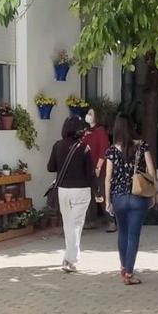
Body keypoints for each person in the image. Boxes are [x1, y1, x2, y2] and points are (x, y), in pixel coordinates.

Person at [104, 114, 156, 285]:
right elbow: (151, 172)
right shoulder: (142, 146)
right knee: (133, 236)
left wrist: (108, 201)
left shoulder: (111, 150)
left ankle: (123, 267)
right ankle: (129, 273)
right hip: (138, 196)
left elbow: (108, 177)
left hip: (118, 197)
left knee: (123, 233)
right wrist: (153, 194)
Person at [46, 116, 96, 273]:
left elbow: (50, 167)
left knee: (69, 225)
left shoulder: (57, 146)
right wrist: (98, 192)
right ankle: (70, 259)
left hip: (63, 191)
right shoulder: (84, 148)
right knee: (76, 225)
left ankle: (69, 257)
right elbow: (90, 174)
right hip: (81, 191)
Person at [81, 107, 113, 232]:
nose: (88, 116)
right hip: (88, 168)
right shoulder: (87, 131)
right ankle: (91, 220)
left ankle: (111, 220)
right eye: (87, 113)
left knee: (101, 194)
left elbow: (104, 149)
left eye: (90, 114)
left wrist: (98, 167)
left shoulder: (100, 131)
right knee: (90, 195)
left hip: (99, 168)